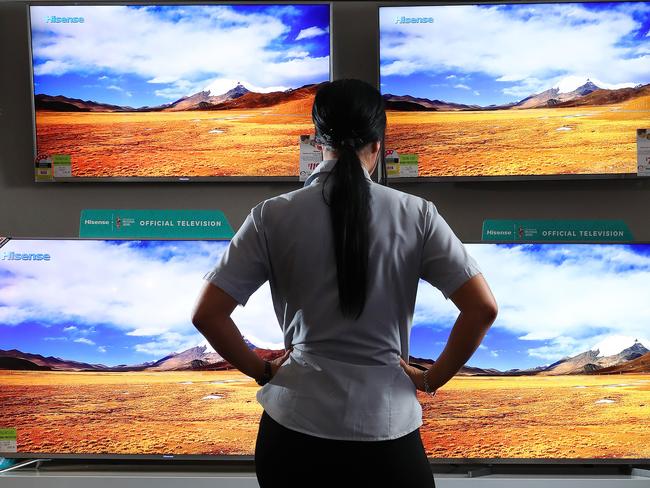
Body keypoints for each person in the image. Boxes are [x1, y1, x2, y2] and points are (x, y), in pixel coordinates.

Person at [192, 79, 497, 487]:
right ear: (378, 143)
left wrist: (261, 371)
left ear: (318, 141)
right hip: (387, 436)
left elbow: (208, 314)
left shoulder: (271, 215)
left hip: (292, 436)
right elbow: (482, 308)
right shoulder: (418, 215)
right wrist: (431, 378)